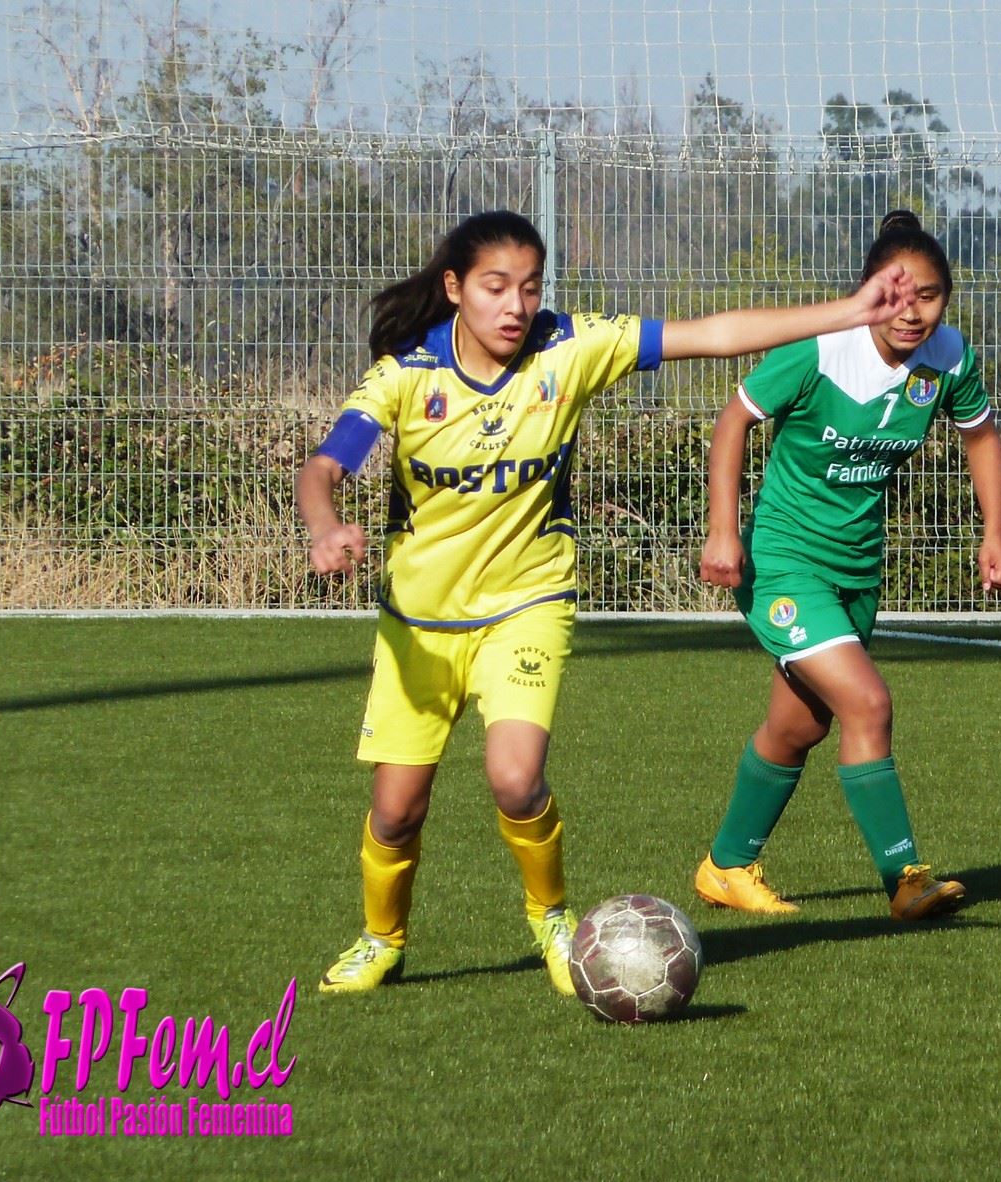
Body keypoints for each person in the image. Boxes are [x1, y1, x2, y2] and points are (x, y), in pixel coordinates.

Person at [298, 209, 918, 995]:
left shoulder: (570, 347)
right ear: (455, 290)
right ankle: (381, 939)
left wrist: (851, 311)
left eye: (529, 286)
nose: (516, 305)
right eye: (495, 288)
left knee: (516, 780)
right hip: (419, 627)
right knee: (395, 814)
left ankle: (554, 922)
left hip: (529, 603)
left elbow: (712, 334)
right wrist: (325, 527)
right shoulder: (406, 376)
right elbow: (323, 469)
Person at [694, 209, 1001, 922]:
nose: (912, 312)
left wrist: (995, 534)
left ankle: (725, 866)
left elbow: (984, 439)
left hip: (857, 570)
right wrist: (725, 532)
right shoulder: (818, 351)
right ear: (869, 290)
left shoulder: (948, 359)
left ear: (947, 298)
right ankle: (906, 879)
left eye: (929, 295)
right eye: (896, 294)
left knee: (799, 728)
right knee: (868, 704)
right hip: (783, 564)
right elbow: (733, 421)